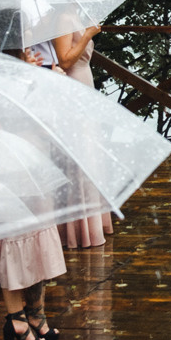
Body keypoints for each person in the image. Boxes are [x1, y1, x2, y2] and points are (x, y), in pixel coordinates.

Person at [0, 7, 67, 340]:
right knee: (15, 238)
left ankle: (37, 313)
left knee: (39, 238)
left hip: (37, 157)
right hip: (11, 163)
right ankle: (15, 318)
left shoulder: (28, 65)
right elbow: (7, 116)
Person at [50, 24, 113, 248]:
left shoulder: (75, 16)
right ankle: (77, 227)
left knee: (90, 153)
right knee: (79, 154)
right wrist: (87, 35)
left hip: (85, 82)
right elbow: (65, 61)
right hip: (73, 85)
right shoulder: (63, 19)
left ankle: (94, 220)